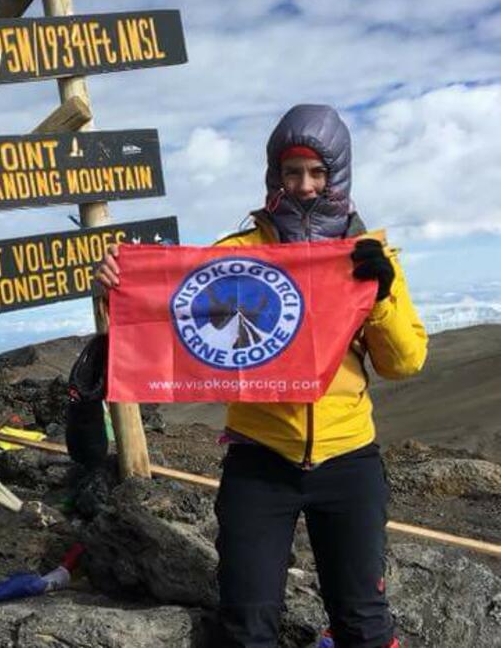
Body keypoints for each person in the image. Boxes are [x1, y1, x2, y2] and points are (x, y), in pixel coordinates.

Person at [95, 104, 427, 648]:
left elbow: (404, 362)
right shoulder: (238, 253)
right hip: (260, 458)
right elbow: (173, 315)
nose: (303, 185)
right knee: (247, 625)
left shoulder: (366, 256)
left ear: (338, 174)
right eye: (291, 171)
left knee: (363, 624)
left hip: (350, 460)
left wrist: (383, 294)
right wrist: (116, 285)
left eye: (317, 172)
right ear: (274, 174)